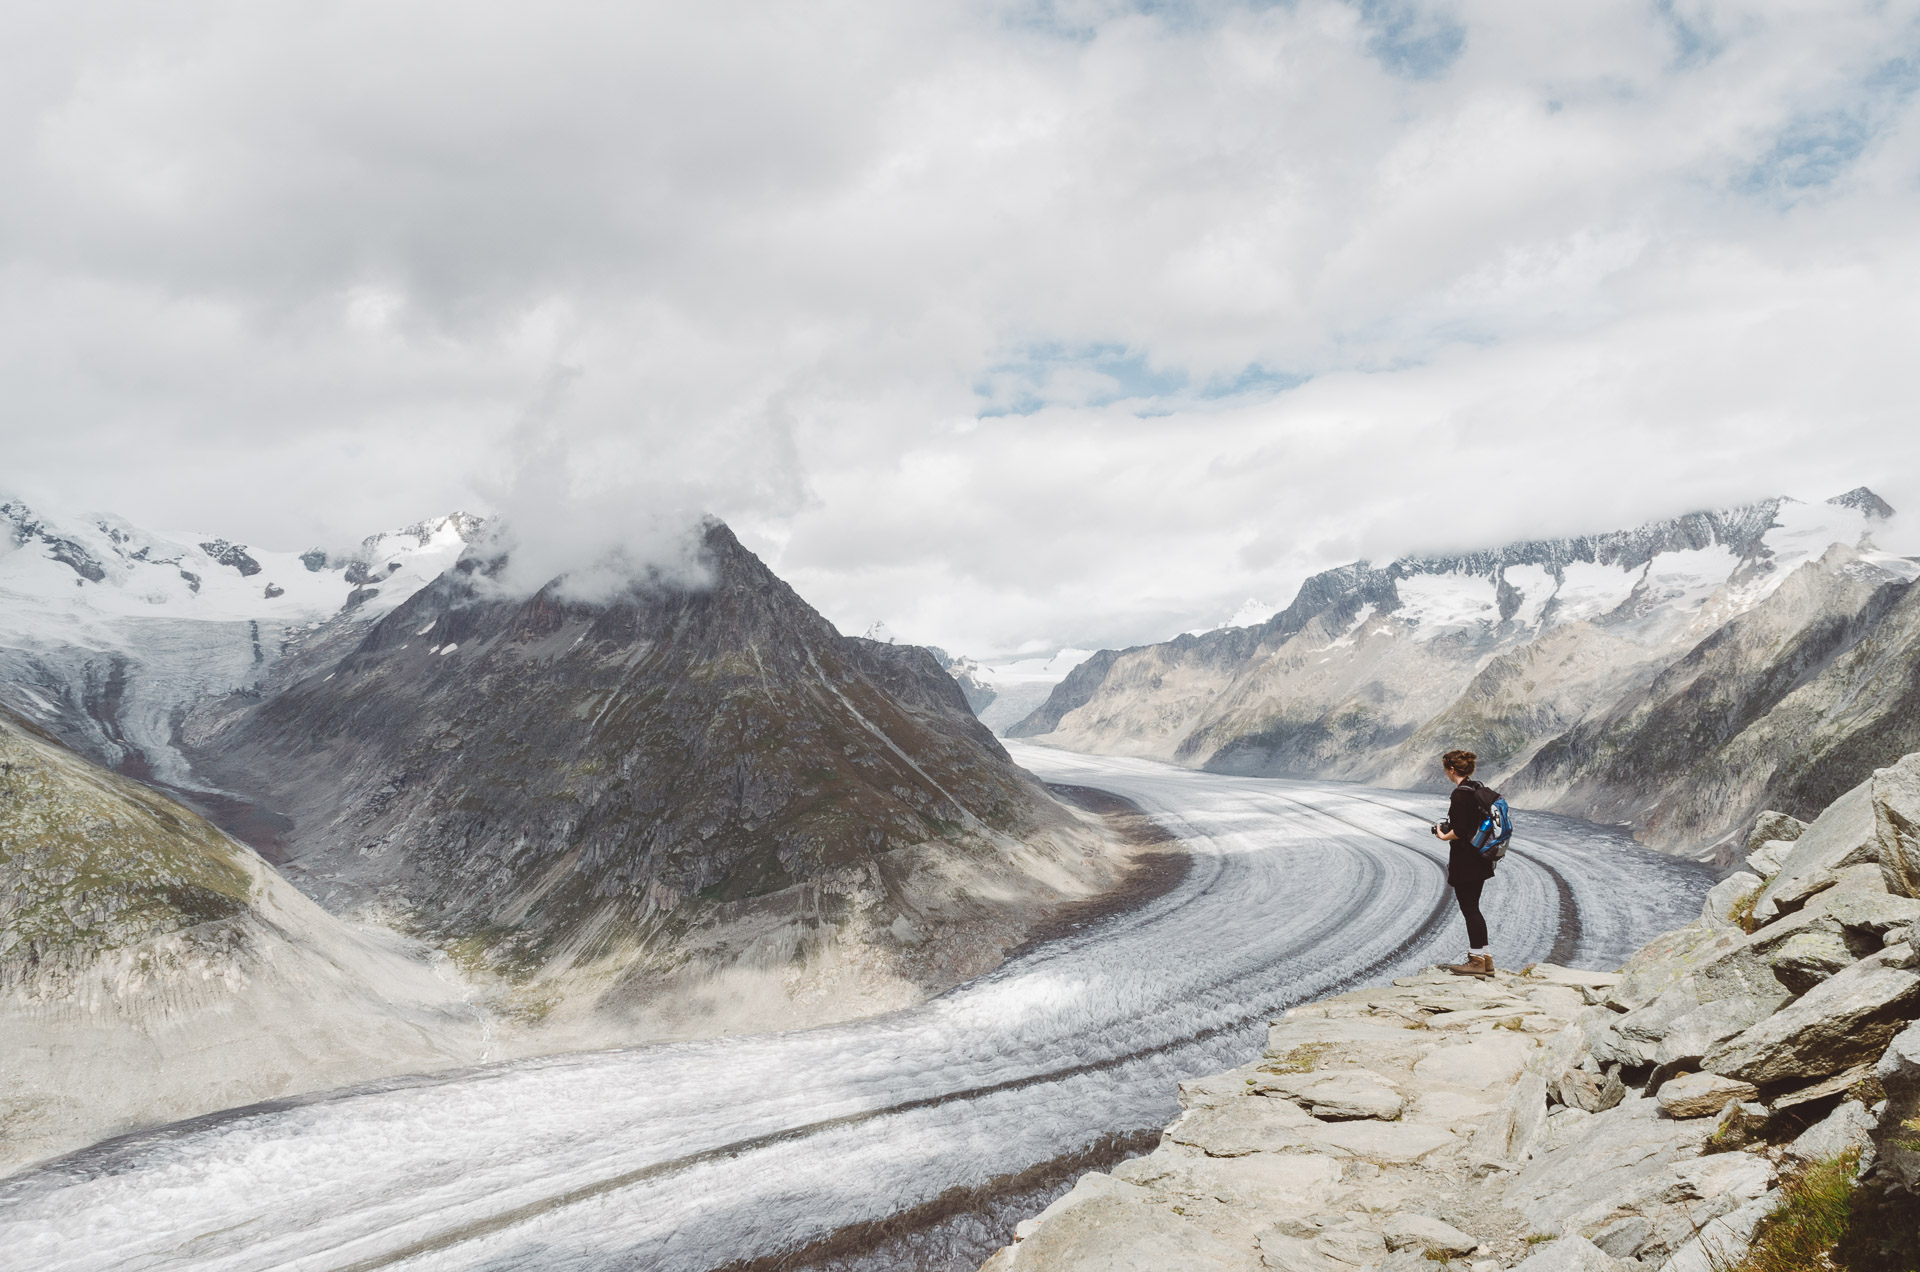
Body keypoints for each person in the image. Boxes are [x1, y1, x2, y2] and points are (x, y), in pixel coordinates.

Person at [1431, 749, 1496, 977]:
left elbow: (1459, 831)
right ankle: (1486, 959)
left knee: (1470, 910)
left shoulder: (1460, 795)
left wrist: (1441, 834)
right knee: (1474, 909)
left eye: (1446, 769)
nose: (1446, 774)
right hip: (1481, 858)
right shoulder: (1477, 787)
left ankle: (1476, 960)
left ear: (1451, 769)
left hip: (1466, 861)